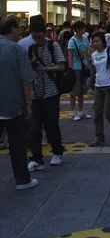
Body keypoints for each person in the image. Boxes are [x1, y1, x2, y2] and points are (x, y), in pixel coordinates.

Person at [0, 17, 38, 190]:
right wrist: (28, 103)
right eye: (18, 28)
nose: (20, 31)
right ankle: (23, 181)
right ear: (11, 30)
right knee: (17, 144)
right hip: (13, 105)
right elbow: (27, 80)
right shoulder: (17, 49)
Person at [27, 15, 66, 172]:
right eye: (34, 37)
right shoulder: (31, 49)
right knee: (34, 128)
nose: (37, 39)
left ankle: (57, 152)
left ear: (45, 33)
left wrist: (46, 68)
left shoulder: (53, 46)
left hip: (51, 92)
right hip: (36, 94)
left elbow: (61, 66)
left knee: (51, 125)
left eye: (40, 36)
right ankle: (36, 158)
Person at [89, 31, 110, 146]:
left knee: (107, 112)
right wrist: (91, 84)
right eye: (93, 42)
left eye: (97, 41)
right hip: (98, 87)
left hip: (109, 86)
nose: (95, 44)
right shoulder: (93, 55)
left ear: (103, 41)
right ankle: (99, 137)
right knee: (97, 113)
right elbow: (94, 71)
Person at [68, 21, 92, 121]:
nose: (84, 30)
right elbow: (70, 57)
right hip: (75, 69)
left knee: (82, 91)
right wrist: (71, 70)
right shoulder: (72, 41)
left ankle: (81, 111)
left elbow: (87, 53)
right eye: (82, 28)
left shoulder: (85, 39)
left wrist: (88, 65)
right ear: (77, 29)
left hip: (83, 68)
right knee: (74, 91)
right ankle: (73, 112)